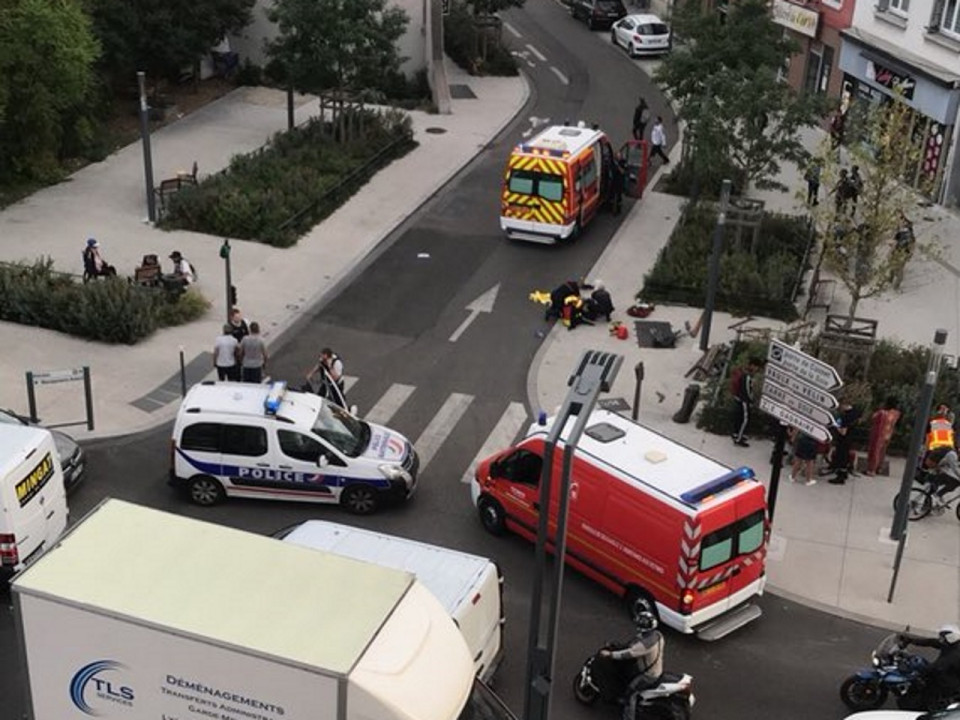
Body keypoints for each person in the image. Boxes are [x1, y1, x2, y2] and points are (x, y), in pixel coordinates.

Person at [600, 611, 664, 718]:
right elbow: (632, 644)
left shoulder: (645, 645)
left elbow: (627, 654)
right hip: (655, 667)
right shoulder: (658, 635)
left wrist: (610, 654)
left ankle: (628, 716)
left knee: (631, 693)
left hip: (648, 675)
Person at [898, 624, 960, 708]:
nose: (940, 640)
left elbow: (938, 666)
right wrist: (911, 640)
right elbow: (930, 642)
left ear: (950, 637)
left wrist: (919, 671)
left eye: (942, 637)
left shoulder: (955, 653)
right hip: (948, 672)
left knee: (927, 685)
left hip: (952, 684)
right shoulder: (949, 644)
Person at [730, 357, 762, 448]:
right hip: (744, 400)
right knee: (745, 420)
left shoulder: (743, 372)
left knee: (738, 418)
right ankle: (739, 439)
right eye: (757, 367)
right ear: (753, 365)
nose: (757, 369)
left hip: (738, 398)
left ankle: (736, 434)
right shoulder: (747, 376)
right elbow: (748, 391)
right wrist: (751, 400)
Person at [826, 401, 860, 484]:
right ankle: (844, 474)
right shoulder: (855, 412)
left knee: (841, 457)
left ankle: (840, 477)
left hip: (843, 440)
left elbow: (843, 432)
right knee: (845, 457)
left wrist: (836, 425)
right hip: (850, 438)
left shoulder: (845, 417)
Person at [866, 397, 901, 476]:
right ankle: (879, 467)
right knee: (882, 452)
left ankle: (872, 469)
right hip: (888, 434)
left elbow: (873, 418)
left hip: (879, 433)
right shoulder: (896, 413)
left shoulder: (882, 413)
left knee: (875, 451)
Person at [891, 211, 916, 289]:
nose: (898, 220)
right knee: (894, 267)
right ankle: (891, 278)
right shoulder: (899, 231)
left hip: (902, 252)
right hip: (898, 251)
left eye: (900, 218)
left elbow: (912, 243)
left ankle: (896, 285)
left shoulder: (907, 231)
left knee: (899, 271)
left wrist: (911, 253)